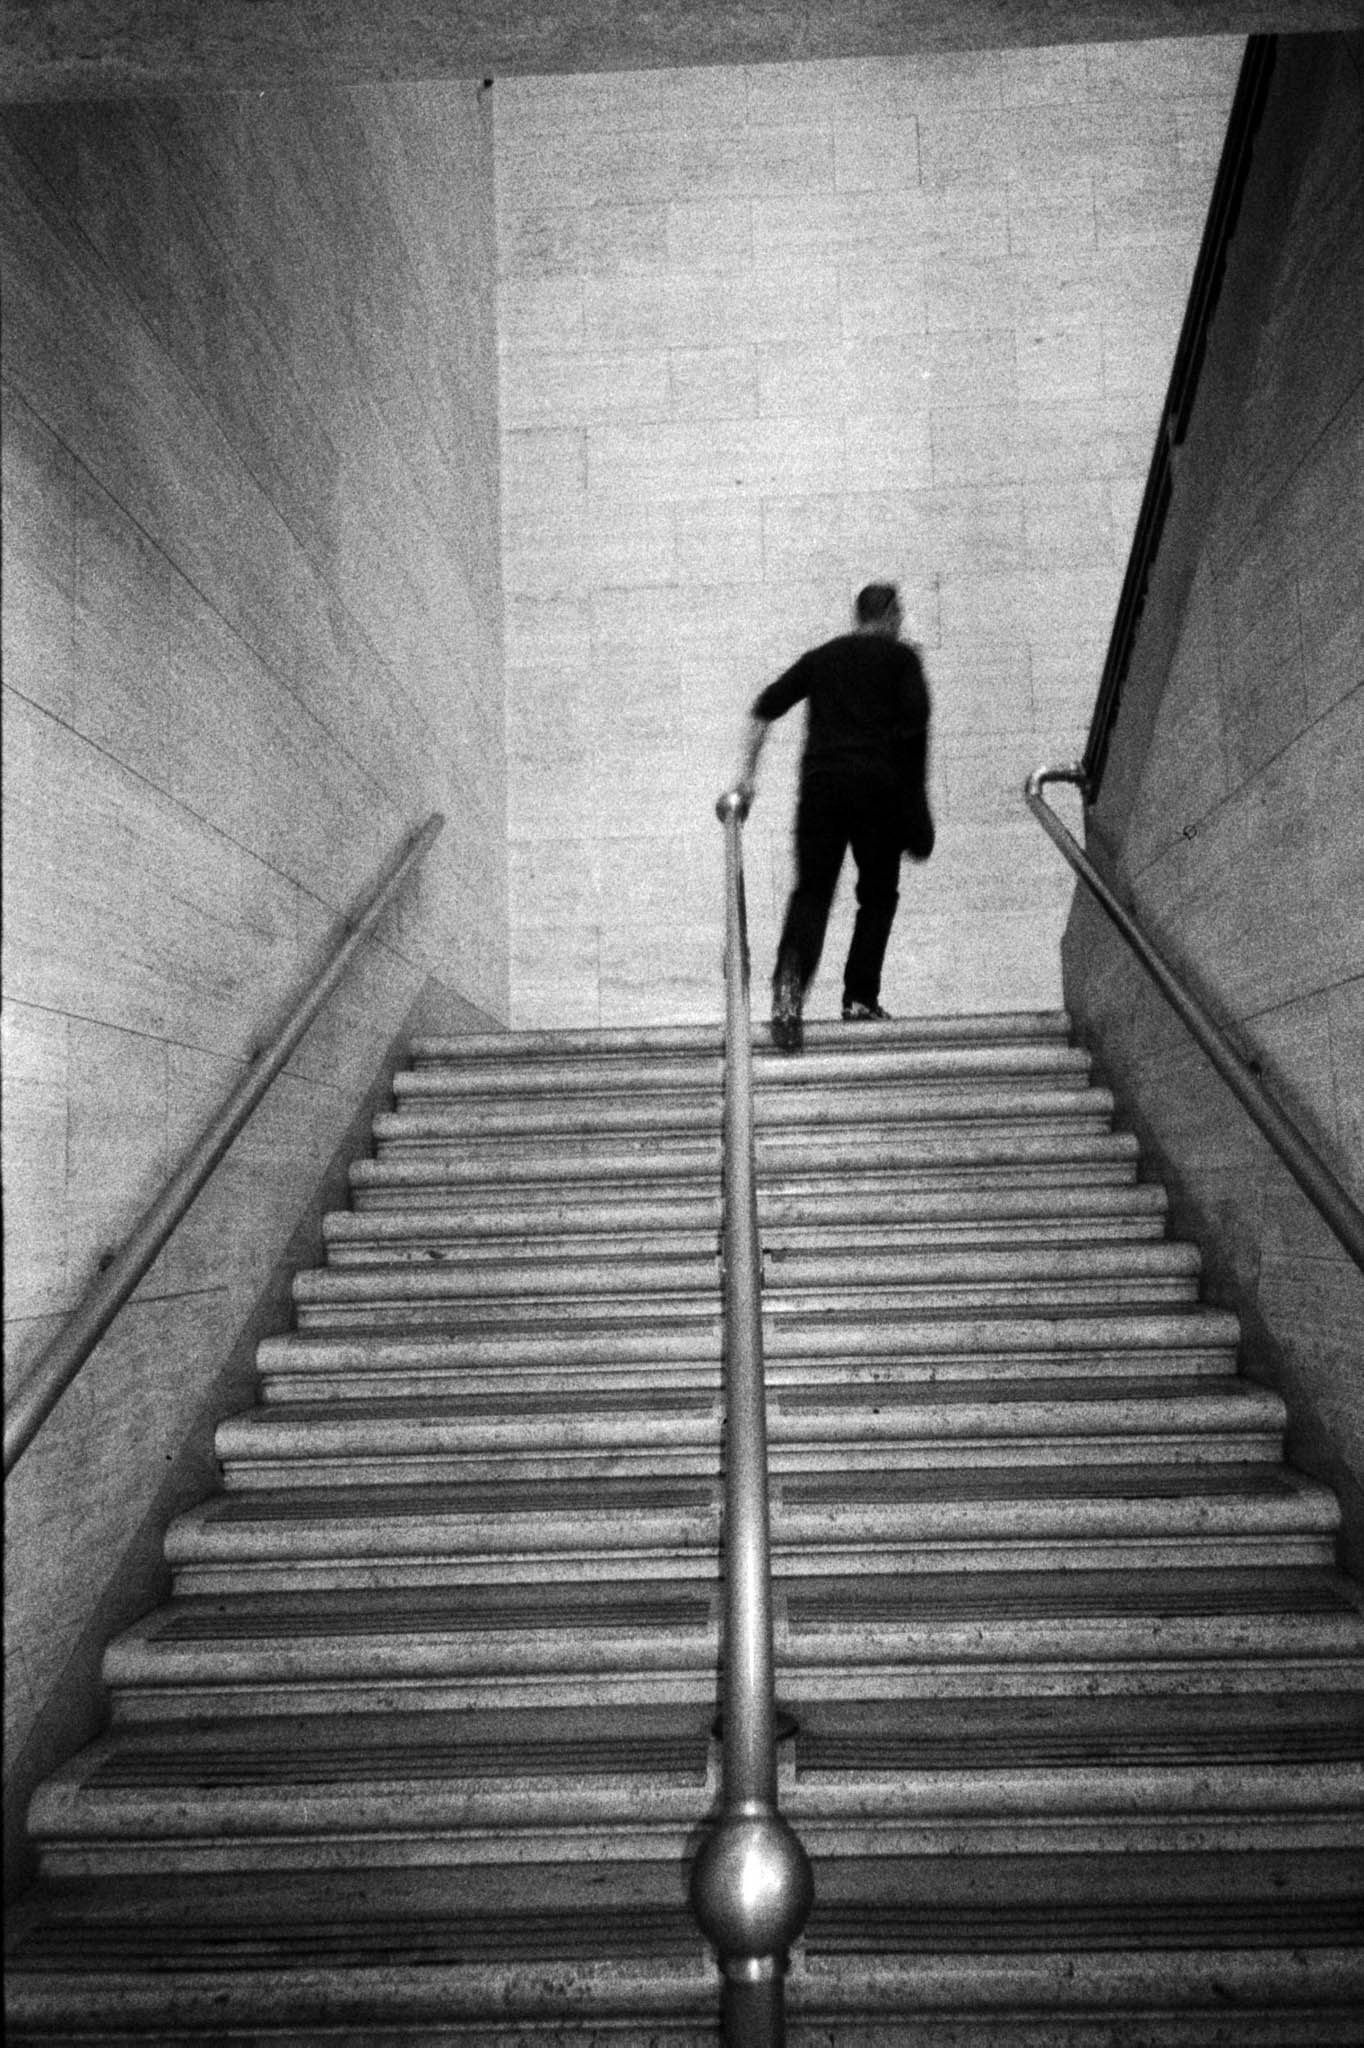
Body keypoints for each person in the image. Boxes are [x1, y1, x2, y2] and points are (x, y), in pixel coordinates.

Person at [733, 582, 933, 1051]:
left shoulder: (823, 657)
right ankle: (860, 998)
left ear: (858, 615)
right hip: (877, 792)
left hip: (822, 789)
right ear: (890, 615)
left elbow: (765, 707)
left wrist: (747, 777)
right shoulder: (902, 660)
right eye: (899, 615)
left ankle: (789, 987)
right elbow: (914, 735)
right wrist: (917, 813)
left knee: (812, 893)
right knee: (878, 896)